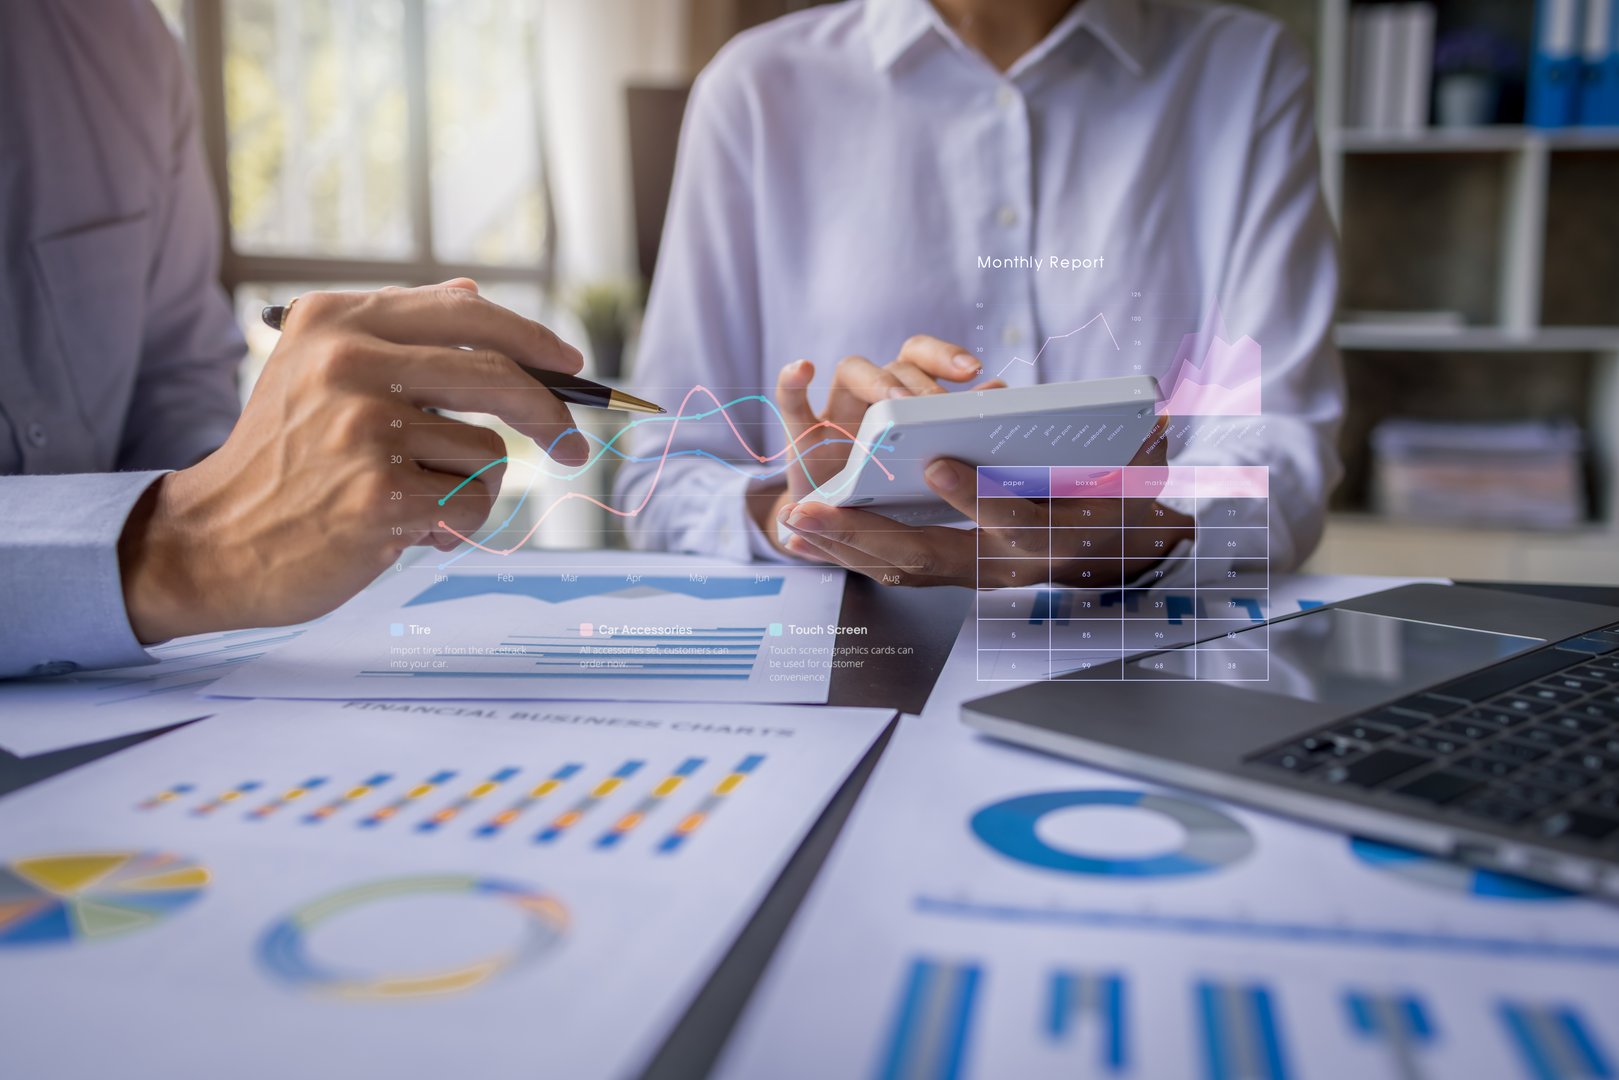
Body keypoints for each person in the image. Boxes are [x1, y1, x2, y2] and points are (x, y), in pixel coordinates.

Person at [614, 0, 1344, 589]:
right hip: (850, 654)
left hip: (1143, 646)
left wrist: (1142, 534)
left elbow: (1280, 443)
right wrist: (796, 514)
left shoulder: (1244, 68)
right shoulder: (757, 88)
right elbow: (659, 483)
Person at [0, 0, 584, 679]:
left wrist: (292, 495)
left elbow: (177, 379)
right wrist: (186, 545)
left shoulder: (125, 40)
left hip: (137, 688)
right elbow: (205, 521)